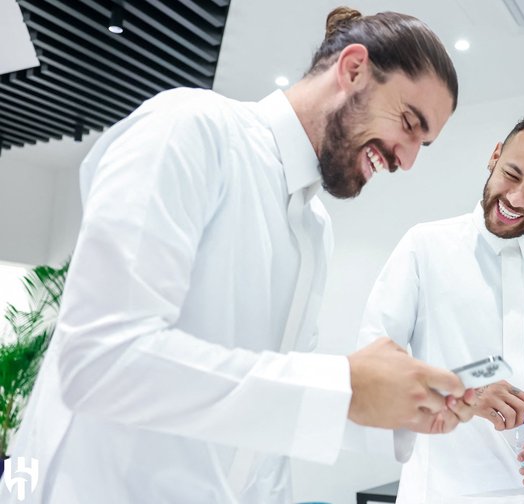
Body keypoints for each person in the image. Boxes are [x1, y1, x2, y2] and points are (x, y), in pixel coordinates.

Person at [0, 7, 478, 504]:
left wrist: (408, 403)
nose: (407, 159)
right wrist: (344, 385)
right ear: (353, 69)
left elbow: (261, 434)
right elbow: (100, 359)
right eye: (409, 122)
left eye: (424, 143)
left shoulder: (315, 232)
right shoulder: (188, 128)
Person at [358, 112, 524, 502]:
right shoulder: (424, 247)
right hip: (444, 493)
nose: (516, 199)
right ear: (494, 157)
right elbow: (372, 365)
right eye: (511, 175)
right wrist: (462, 393)